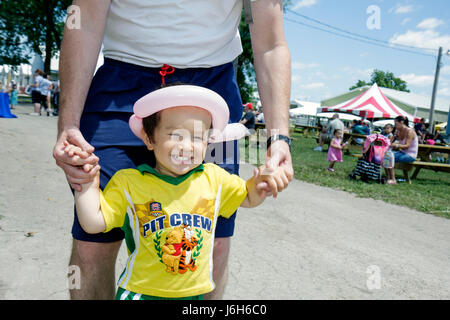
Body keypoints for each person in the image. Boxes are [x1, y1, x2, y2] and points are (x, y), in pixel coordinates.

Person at [52, 0, 292, 300]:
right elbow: (83, 21)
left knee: (213, 242)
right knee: (93, 241)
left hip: (211, 87)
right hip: (121, 83)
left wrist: (279, 138)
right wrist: (68, 124)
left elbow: (270, 43)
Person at [64, 85, 286, 300]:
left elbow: (247, 197)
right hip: (140, 294)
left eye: (197, 137)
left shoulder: (215, 179)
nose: (187, 146)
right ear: (149, 139)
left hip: (193, 296)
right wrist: (87, 183)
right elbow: (93, 222)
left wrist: (260, 184)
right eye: (175, 135)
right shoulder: (129, 183)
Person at [385, 116, 418, 185]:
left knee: (390, 157)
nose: (394, 125)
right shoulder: (399, 131)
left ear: (401, 122)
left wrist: (396, 145)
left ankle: (393, 179)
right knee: (386, 155)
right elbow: (391, 142)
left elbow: (407, 146)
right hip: (402, 153)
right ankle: (388, 178)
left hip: (410, 155)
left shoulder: (410, 132)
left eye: (395, 123)